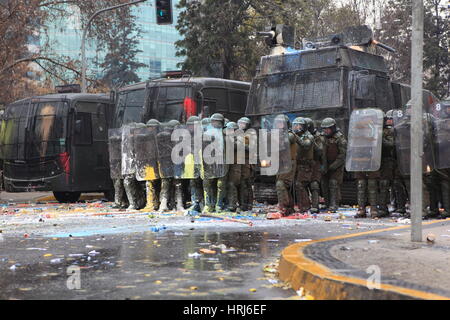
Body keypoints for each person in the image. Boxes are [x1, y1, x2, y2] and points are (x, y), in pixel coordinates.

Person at [270, 115, 297, 218]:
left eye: (281, 123)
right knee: (283, 186)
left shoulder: (290, 135)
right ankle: (289, 208)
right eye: (277, 123)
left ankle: (283, 208)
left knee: (281, 184)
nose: (278, 125)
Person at [202, 113, 228, 213]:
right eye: (213, 121)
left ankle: (219, 205)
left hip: (223, 162)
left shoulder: (226, 133)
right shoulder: (207, 133)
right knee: (207, 183)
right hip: (209, 162)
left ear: (221, 123)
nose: (215, 123)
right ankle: (208, 205)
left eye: (217, 122)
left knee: (221, 184)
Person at [320, 118, 347, 212]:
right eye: (324, 129)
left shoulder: (339, 138)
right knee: (324, 184)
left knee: (333, 183)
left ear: (333, 128)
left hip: (336, 166)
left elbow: (342, 155)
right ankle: (327, 203)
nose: (325, 131)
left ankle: (334, 204)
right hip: (325, 165)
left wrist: (333, 166)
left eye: (327, 129)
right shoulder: (322, 137)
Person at [292, 117, 315, 213]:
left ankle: (305, 206)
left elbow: (306, 145)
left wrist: (295, 137)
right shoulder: (295, 136)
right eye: (295, 125)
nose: (296, 127)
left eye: (299, 125)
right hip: (296, 164)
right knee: (295, 185)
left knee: (300, 185)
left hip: (305, 165)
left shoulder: (309, 136)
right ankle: (299, 205)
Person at [304, 118, 323, 213]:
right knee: (301, 185)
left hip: (315, 164)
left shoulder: (317, 136)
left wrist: (312, 140)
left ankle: (315, 206)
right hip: (304, 164)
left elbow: (320, 151)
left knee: (314, 184)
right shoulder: (301, 136)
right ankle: (304, 205)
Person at [237, 117, 255, 212]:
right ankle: (243, 203)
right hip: (240, 160)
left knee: (245, 183)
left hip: (247, 161)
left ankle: (247, 204)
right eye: (240, 123)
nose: (241, 125)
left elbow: (249, 147)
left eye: (244, 124)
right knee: (242, 183)